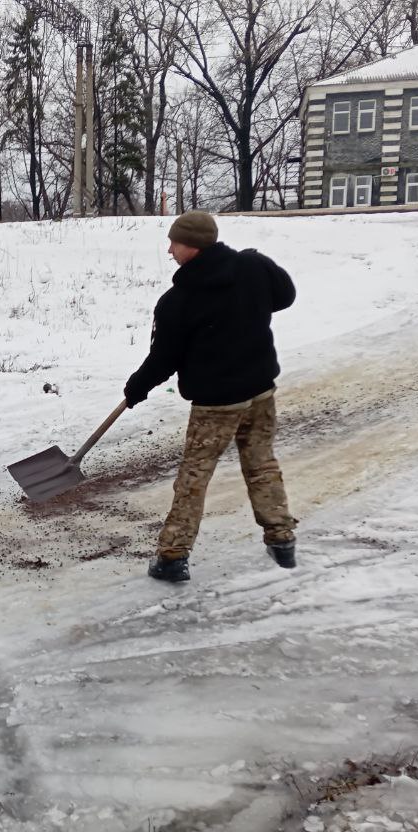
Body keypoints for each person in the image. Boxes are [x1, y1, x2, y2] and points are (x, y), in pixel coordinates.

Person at [124, 210, 299, 583]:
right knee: (261, 464)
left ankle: (172, 557)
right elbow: (284, 296)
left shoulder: (179, 300)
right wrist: (258, 269)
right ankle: (282, 539)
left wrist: (137, 387)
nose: (169, 250)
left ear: (193, 245)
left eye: (174, 242)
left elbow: (164, 358)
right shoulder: (251, 267)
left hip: (216, 404)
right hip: (260, 390)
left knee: (194, 478)